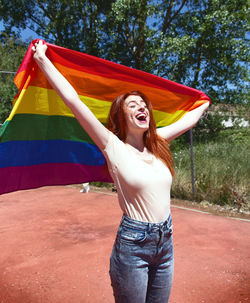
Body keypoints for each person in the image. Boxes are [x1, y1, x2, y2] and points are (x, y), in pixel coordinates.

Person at [32, 40, 209, 303]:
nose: (142, 108)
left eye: (144, 104)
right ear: (121, 116)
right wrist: (42, 59)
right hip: (133, 245)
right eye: (133, 105)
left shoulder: (158, 142)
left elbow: (189, 120)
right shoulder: (112, 146)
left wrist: (204, 101)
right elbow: (73, 100)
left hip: (166, 242)